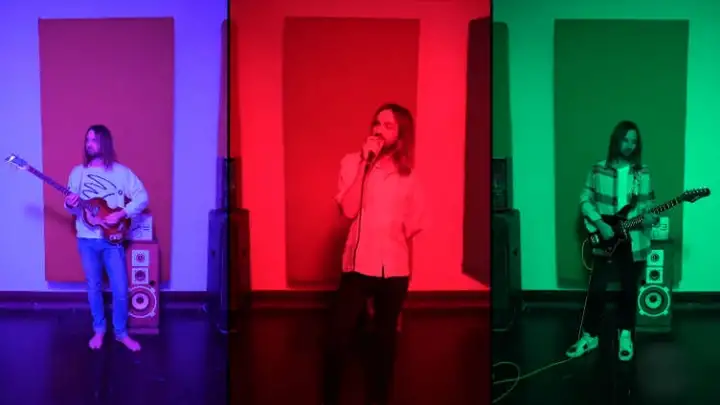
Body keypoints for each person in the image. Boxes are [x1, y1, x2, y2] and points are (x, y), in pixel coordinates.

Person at [322, 103, 424, 405]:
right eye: (377, 123)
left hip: (394, 269)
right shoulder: (351, 162)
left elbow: (412, 229)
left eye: (388, 126)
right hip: (357, 266)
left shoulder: (409, 176)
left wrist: (405, 271)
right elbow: (349, 209)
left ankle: (379, 396)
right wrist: (364, 167)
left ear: (401, 135)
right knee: (337, 336)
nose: (379, 130)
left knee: (384, 340)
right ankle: (330, 396)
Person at [566, 120, 659, 362]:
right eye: (625, 139)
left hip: (633, 238)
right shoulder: (598, 170)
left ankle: (625, 334)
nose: (629, 145)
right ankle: (590, 336)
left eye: (634, 141)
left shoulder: (643, 172)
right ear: (616, 140)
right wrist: (600, 224)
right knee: (597, 288)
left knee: (629, 289)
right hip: (606, 235)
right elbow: (585, 199)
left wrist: (650, 218)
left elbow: (647, 206)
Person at [63, 125, 149, 352]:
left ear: (105, 142)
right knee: (94, 287)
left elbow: (142, 197)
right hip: (86, 240)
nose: (89, 144)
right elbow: (72, 208)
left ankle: (121, 333)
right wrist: (70, 203)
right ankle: (99, 330)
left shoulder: (121, 172)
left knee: (120, 289)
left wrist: (122, 214)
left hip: (113, 239)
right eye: (87, 140)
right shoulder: (77, 173)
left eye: (94, 140)